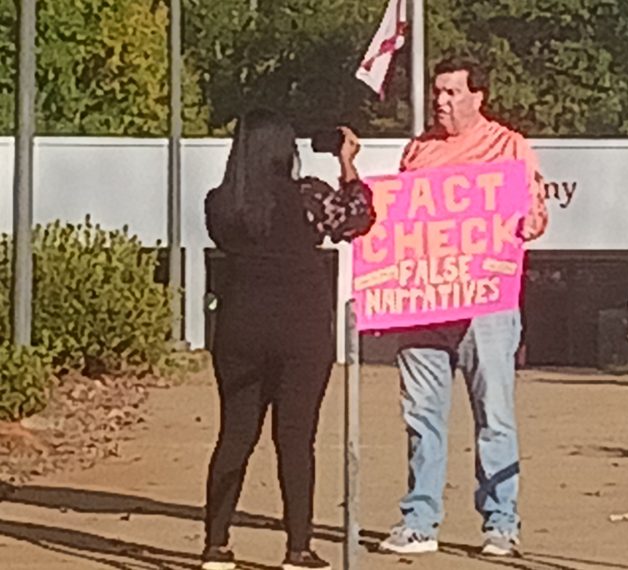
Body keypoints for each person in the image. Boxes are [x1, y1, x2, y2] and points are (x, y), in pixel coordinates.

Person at [378, 56, 549, 557]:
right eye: (438, 91)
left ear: (479, 97)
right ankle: (419, 520)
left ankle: (500, 524)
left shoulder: (510, 146)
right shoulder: (416, 152)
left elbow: (536, 216)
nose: (441, 100)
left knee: (494, 416)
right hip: (424, 305)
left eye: (452, 92)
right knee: (421, 417)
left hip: (486, 310)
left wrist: (525, 220)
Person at [202, 109, 374, 570]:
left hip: (239, 328)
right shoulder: (309, 197)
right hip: (301, 330)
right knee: (296, 439)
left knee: (235, 435)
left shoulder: (220, 202)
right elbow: (357, 219)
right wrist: (347, 162)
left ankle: (216, 545)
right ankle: (298, 547)